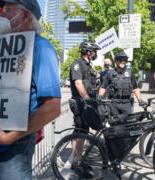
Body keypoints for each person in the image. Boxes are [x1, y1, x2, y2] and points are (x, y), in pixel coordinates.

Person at [0, 0, 61, 179]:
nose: (1, 15)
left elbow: (52, 108)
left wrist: (8, 137)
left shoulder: (42, 49)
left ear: (25, 16)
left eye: (8, 9)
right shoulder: (2, 48)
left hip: (15, 145)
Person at [63, 40, 100, 178]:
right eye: (94, 51)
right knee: (80, 130)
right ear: (88, 52)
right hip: (80, 102)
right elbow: (78, 83)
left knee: (83, 130)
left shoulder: (89, 66)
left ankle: (77, 157)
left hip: (86, 101)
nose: (96, 54)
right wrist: (86, 98)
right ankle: (76, 160)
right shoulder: (77, 64)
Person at [98, 51, 146, 123]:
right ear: (116, 61)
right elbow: (103, 87)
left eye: (125, 60)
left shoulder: (129, 73)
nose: (123, 62)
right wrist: (99, 97)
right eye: (120, 60)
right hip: (114, 104)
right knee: (115, 126)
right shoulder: (110, 73)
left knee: (127, 127)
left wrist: (140, 100)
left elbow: (135, 88)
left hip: (126, 104)